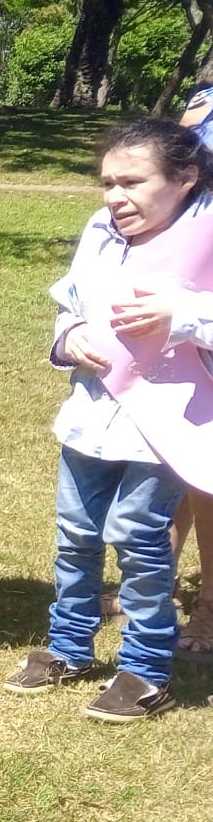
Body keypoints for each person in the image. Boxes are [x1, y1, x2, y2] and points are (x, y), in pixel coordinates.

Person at [5, 120, 213, 720]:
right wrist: (68, 335)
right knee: (75, 533)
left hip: (167, 422)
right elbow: (71, 302)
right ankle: (68, 647)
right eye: (107, 183)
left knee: (139, 537)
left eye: (132, 182)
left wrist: (182, 313)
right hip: (92, 413)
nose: (115, 196)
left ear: (185, 177)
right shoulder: (101, 230)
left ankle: (145, 671)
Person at [175, 74, 213, 654]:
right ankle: (153, 582)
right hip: (189, 261)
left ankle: (209, 608)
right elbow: (179, 148)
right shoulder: (205, 94)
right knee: (176, 457)